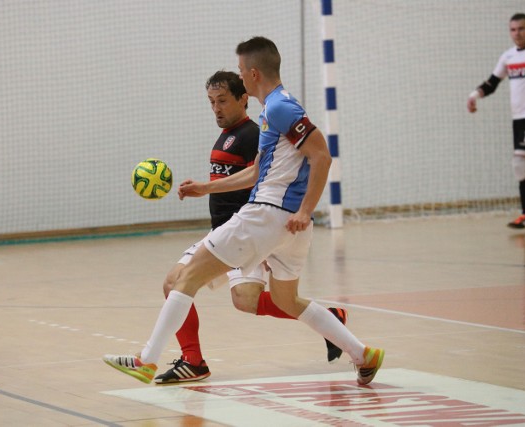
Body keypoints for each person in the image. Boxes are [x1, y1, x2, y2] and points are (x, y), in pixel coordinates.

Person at [104, 36, 384, 386]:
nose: (239, 76)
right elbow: (257, 171)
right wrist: (204, 188)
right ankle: (363, 354)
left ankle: (146, 360)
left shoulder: (281, 106)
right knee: (286, 300)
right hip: (285, 226)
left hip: (268, 214)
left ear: (252, 74)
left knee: (185, 278)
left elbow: (322, 156)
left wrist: (305, 209)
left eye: (239, 71)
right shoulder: (273, 111)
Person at [154, 70, 348, 384]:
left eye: (223, 101)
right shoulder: (228, 134)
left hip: (243, 230)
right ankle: (330, 320)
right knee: (244, 299)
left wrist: (267, 239)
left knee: (180, 284)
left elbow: (260, 179)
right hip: (227, 230)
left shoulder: (254, 134)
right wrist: (205, 188)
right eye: (211, 102)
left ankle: (188, 360)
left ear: (244, 98)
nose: (216, 108)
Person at [467, 13, 525, 230]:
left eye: (521, 29)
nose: (517, 33)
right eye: (513, 29)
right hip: (519, 118)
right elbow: (492, 83)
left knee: (520, 162)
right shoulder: (508, 56)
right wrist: (474, 95)